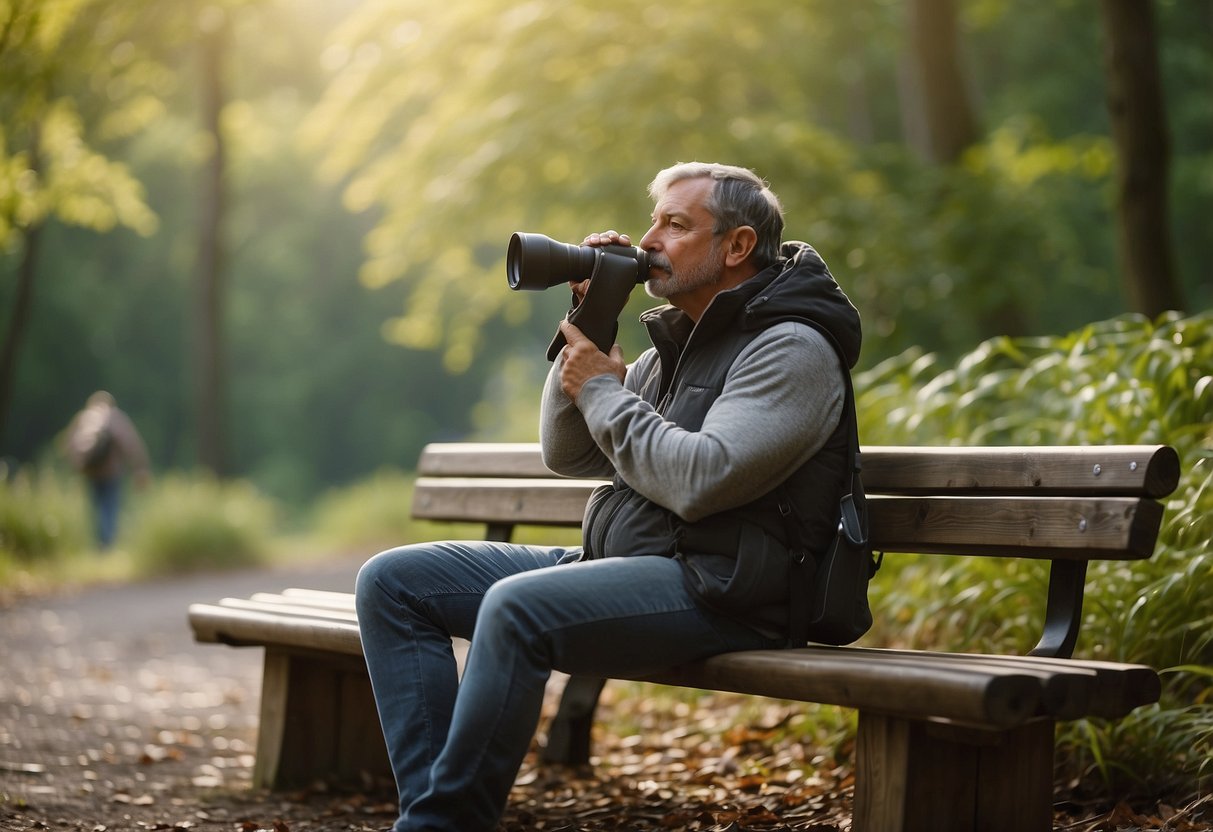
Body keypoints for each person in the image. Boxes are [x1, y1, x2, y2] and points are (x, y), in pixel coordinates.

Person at [355, 162, 863, 832]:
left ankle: (439, 826)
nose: (648, 239)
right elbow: (569, 454)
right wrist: (589, 321)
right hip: (636, 563)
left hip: (729, 588)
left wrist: (601, 389)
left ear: (736, 247)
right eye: (653, 219)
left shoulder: (790, 347)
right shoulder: (674, 343)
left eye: (675, 224)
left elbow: (699, 479)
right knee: (392, 582)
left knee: (515, 607)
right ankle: (433, 818)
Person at [63, 391, 151, 549]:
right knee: (109, 508)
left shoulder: (84, 417)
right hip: (112, 472)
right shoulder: (116, 417)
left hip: (90, 471)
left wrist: (77, 466)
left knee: (95, 509)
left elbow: (68, 443)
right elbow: (130, 443)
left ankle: (100, 544)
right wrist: (140, 468)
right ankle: (107, 545)